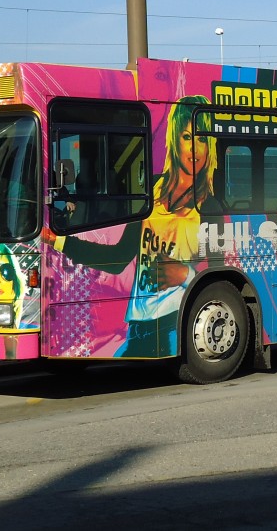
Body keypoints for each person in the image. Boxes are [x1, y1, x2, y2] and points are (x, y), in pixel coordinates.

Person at [53, 96, 217, 358]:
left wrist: (184, 274)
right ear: (175, 140)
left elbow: (223, 269)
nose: (195, 149)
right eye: (187, 137)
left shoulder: (212, 206)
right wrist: (59, 241)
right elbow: (119, 258)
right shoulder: (151, 189)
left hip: (178, 322)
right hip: (139, 324)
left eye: (202, 139)